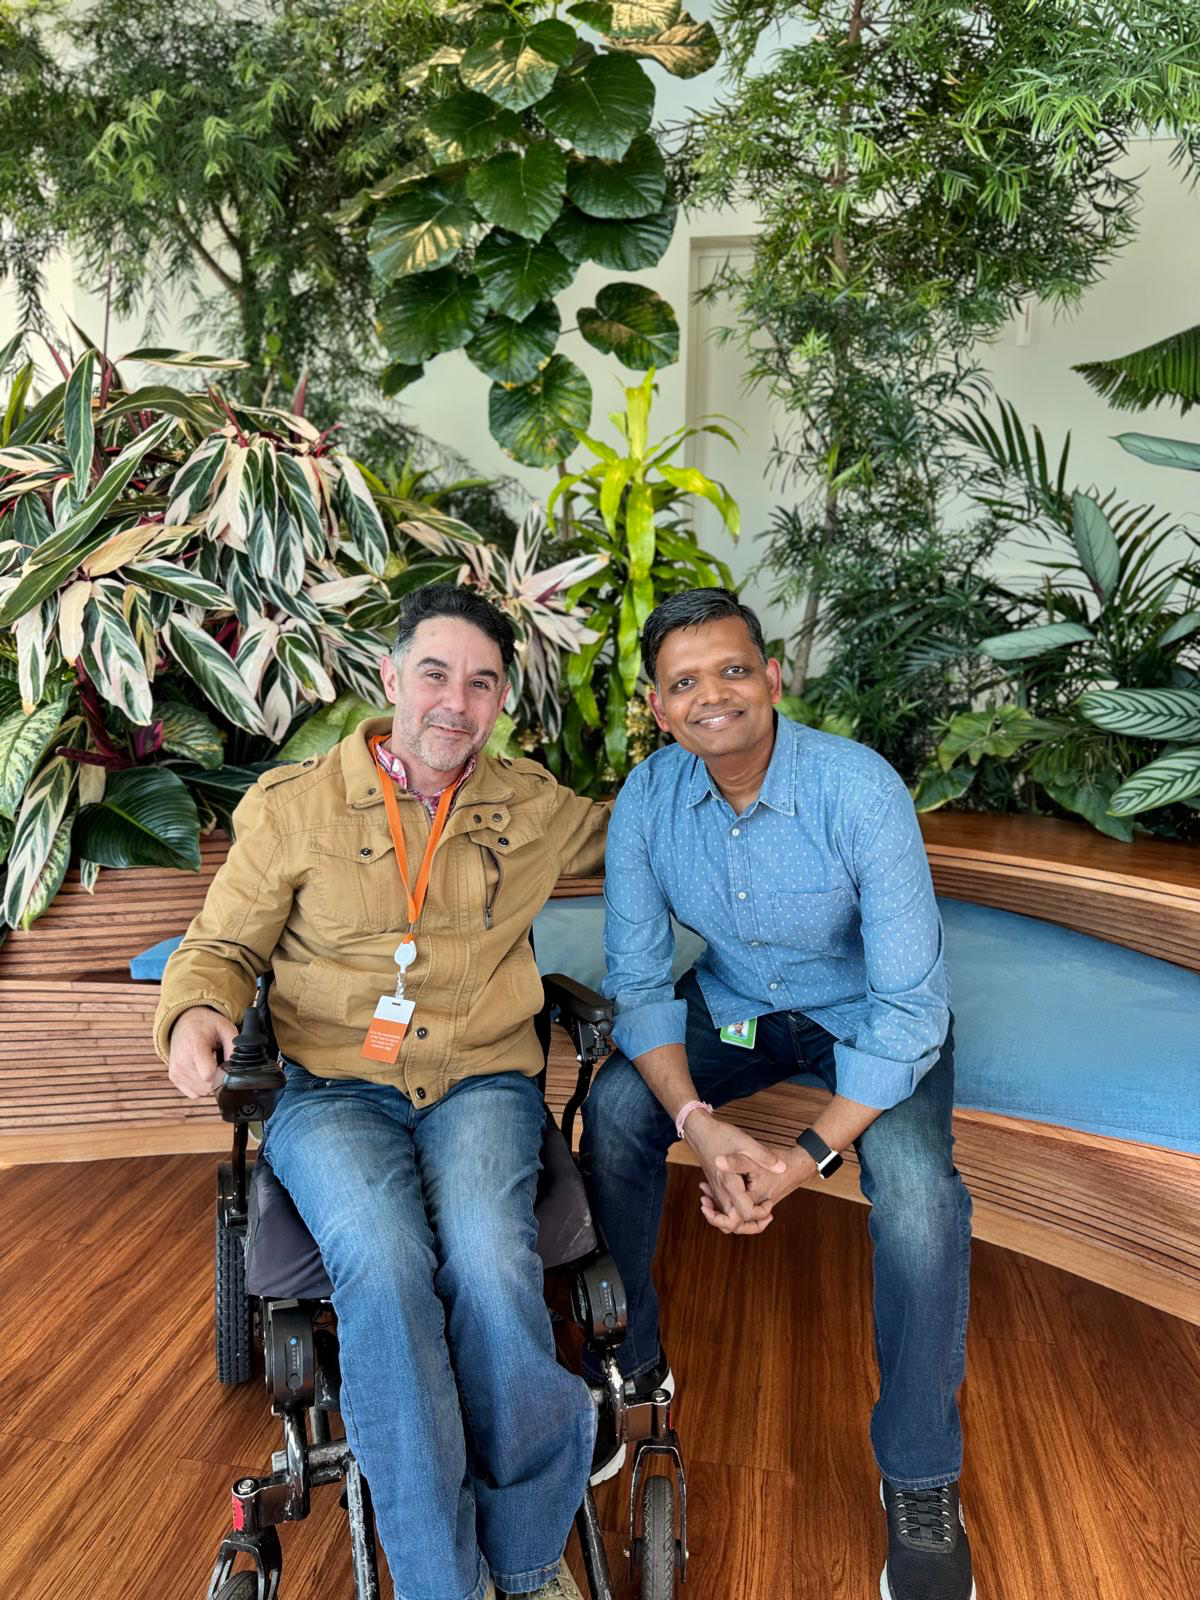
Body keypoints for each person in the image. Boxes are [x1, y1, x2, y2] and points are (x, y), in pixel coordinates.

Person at [157, 584, 611, 1600]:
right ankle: (442, 1579)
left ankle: (530, 1559)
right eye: (437, 673)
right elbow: (221, 945)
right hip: (332, 1087)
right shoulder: (294, 807)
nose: (456, 700)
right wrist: (194, 1013)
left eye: (482, 682)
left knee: (495, 1262)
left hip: (480, 1081)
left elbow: (649, 831)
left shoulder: (532, 807)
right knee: (384, 1259)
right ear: (392, 677)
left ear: (500, 701)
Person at [580, 589, 975, 1600]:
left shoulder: (859, 789)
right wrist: (698, 1124)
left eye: (732, 670)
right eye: (684, 682)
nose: (712, 695)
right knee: (620, 1107)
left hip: (868, 1017)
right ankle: (634, 1358)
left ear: (772, 678)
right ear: (660, 708)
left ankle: (920, 1476)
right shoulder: (649, 799)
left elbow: (909, 1006)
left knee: (923, 1191)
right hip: (739, 1006)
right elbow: (636, 982)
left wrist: (803, 1160)